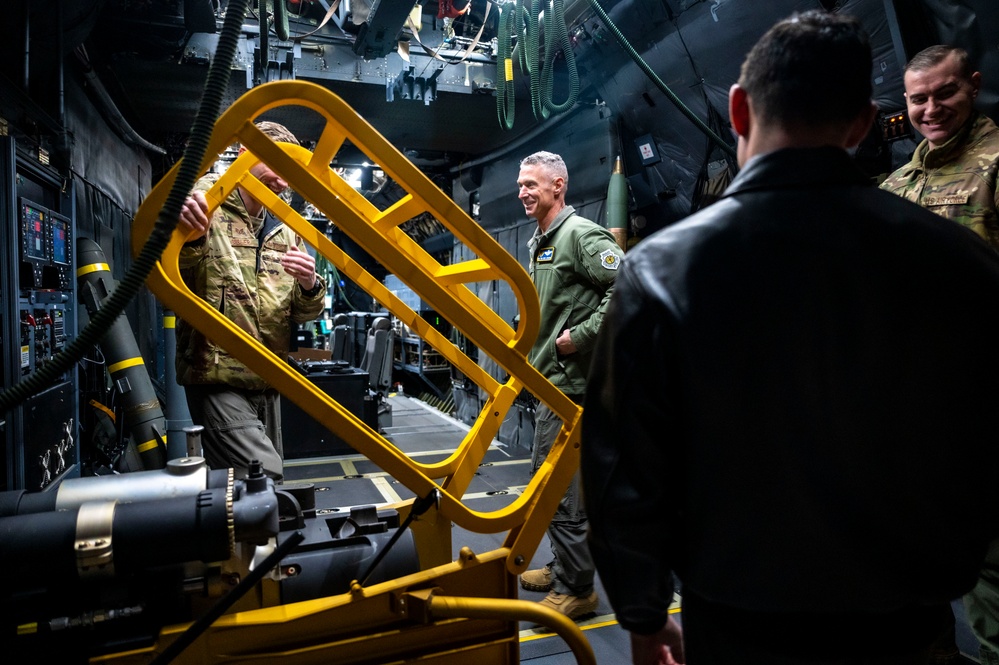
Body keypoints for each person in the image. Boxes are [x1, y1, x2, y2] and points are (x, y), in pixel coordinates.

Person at [581, 10, 999, 665]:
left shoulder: (659, 270)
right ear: (863, 122)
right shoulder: (962, 262)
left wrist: (641, 612)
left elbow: (622, 470)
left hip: (740, 623)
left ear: (739, 109)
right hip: (910, 623)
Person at [176, 120, 327, 481]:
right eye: (277, 167)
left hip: (268, 379)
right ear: (245, 155)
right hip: (218, 377)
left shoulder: (286, 223)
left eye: (290, 173)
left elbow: (305, 311)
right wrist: (191, 236)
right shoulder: (204, 200)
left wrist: (308, 284)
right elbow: (171, 273)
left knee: (246, 493)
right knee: (264, 478)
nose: (284, 182)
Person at [517, 150, 621, 619]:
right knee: (553, 483)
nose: (522, 192)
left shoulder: (580, 235)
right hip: (549, 382)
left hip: (572, 386)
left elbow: (627, 288)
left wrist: (575, 339)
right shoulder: (541, 240)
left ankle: (578, 587)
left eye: (531, 185)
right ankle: (564, 567)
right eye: (521, 185)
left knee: (561, 489)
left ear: (558, 186)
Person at [880, 45, 999, 250]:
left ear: (974, 86)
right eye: (919, 99)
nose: (932, 110)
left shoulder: (994, 164)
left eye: (945, 94)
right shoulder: (895, 183)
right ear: (907, 101)